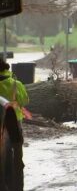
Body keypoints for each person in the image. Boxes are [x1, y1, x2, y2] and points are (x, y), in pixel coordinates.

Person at [0, 57, 29, 191]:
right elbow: (24, 101)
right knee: (17, 157)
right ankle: (17, 187)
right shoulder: (15, 84)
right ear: (6, 67)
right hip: (13, 123)